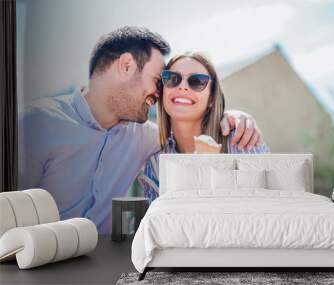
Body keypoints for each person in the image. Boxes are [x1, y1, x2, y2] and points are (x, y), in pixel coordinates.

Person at [18, 27, 264, 233]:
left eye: (196, 82)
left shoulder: (145, 139)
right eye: (163, 80)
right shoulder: (35, 124)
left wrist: (234, 117)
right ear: (126, 65)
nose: (160, 92)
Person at [138, 52, 269, 201]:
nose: (183, 87)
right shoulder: (155, 166)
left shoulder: (241, 141)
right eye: (172, 78)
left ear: (212, 97)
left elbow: (265, 209)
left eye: (197, 81)